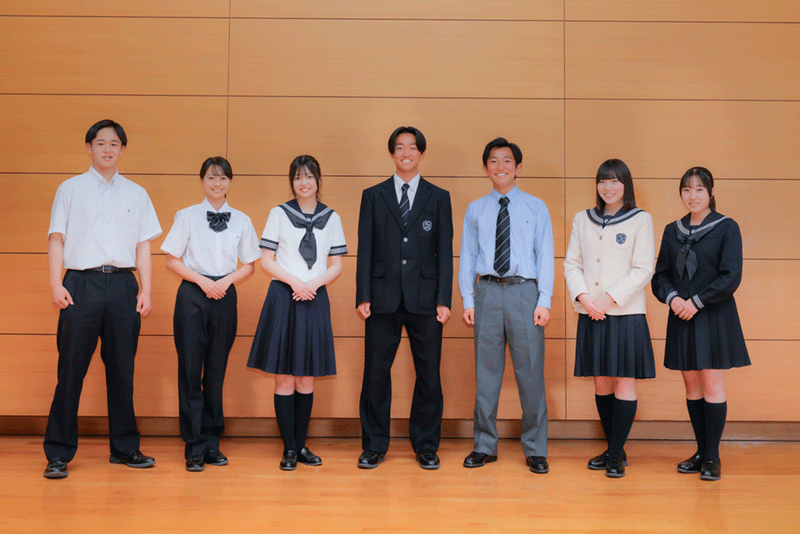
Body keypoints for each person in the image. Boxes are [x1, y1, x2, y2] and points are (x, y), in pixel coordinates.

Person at [43, 119, 162, 479]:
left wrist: (146, 289)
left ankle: (125, 447)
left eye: (114, 144)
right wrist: (55, 284)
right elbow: (56, 239)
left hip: (124, 285)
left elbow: (143, 246)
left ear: (122, 149)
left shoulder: (137, 193)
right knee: (70, 370)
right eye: (100, 143)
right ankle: (58, 452)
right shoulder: (70, 189)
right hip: (80, 285)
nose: (107, 149)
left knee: (123, 371)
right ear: (89, 147)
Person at [355, 126, 453, 470]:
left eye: (412, 147)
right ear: (392, 153)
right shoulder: (373, 195)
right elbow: (365, 248)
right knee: (375, 374)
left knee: (429, 376)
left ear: (421, 153)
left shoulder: (439, 197)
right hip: (381, 298)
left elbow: (444, 252)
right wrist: (363, 294)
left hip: (426, 301)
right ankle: (374, 445)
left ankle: (426, 446)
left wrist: (444, 299)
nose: (406, 153)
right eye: (400, 147)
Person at [459, 137, 554, 474]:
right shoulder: (476, 209)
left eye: (507, 161)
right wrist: (467, 298)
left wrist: (545, 299)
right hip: (486, 292)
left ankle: (535, 448)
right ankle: (484, 445)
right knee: (486, 374)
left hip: (524, 293)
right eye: (494, 161)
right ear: (486, 168)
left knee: (531, 373)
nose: (500, 167)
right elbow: (468, 256)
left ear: (518, 167)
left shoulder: (536, 207)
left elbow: (545, 255)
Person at [247, 155, 346, 471]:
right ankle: (289, 449)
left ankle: (301, 446)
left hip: (315, 296)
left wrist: (312, 285)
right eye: (298, 177)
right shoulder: (279, 213)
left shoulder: (332, 218)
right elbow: (266, 260)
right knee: (284, 377)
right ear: (292, 181)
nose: (304, 183)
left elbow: (337, 264)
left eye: (309, 177)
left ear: (319, 180)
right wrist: (295, 283)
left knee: (306, 377)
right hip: (284, 296)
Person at [161, 157, 260, 472]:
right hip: (192, 294)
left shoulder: (242, 220)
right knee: (190, 371)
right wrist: (203, 282)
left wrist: (225, 282)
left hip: (225, 295)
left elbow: (250, 265)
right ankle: (193, 446)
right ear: (202, 181)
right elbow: (171, 260)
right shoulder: (186, 216)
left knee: (216, 372)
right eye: (211, 178)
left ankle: (212, 443)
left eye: (223, 178)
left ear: (230, 182)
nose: (217, 184)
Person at [652, 166, 750, 481]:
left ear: (711, 192)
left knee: (712, 385)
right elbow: (660, 276)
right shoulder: (672, 230)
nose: (692, 196)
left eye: (699, 189)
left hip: (713, 315)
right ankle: (700, 451)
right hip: (681, 316)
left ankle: (712, 457)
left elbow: (731, 276)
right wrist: (673, 299)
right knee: (691, 385)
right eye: (686, 189)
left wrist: (696, 301)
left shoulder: (727, 227)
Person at [563, 159, 656, 478]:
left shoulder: (641, 219)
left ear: (625, 185)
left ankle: (615, 454)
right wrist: (584, 297)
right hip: (591, 311)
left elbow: (643, 269)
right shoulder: (582, 219)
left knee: (623, 380)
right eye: (603, 181)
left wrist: (608, 299)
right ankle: (613, 447)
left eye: (615, 181)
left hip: (625, 312)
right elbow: (572, 264)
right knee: (601, 380)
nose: (608, 187)